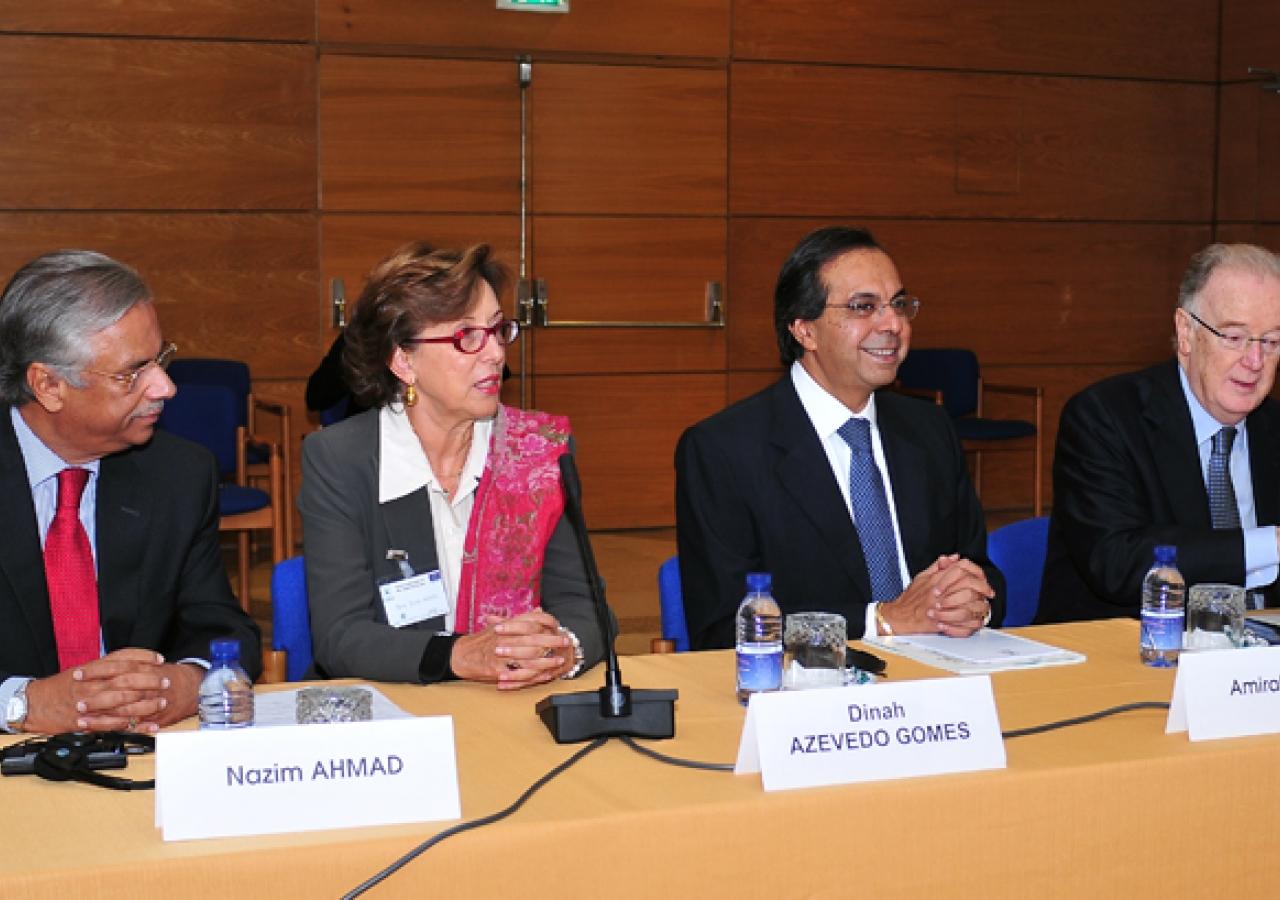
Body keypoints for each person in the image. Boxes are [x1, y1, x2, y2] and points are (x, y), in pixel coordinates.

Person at [676, 226, 1004, 649]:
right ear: (804, 330)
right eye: (863, 307)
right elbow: (725, 629)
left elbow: (981, 569)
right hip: (813, 691)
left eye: (898, 305)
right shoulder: (723, 450)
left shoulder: (930, 429)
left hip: (943, 677)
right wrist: (879, 622)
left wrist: (974, 602)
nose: (893, 324)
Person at [298, 242, 609, 687]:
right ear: (403, 360)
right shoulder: (340, 460)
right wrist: (459, 655)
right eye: (467, 337)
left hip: (512, 705)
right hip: (395, 710)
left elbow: (588, 608)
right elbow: (341, 636)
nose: (496, 354)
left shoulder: (536, 453)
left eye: (498, 330)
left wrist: (563, 650)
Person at [0, 250, 261, 735]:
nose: (165, 387)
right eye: (132, 373)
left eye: (161, 360)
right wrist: (21, 703)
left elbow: (224, 628)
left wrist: (188, 682)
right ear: (48, 385)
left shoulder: (180, 474)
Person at [1038, 243, 1280, 622]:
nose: (1254, 361)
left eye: (1271, 341)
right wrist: (1271, 545)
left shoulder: (1274, 428)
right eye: (1234, 337)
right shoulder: (1104, 418)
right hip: (1130, 657)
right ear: (1186, 332)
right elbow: (1117, 562)